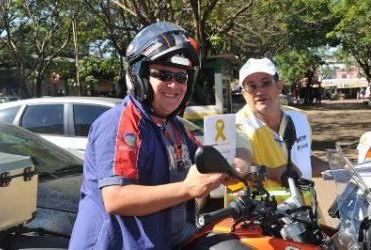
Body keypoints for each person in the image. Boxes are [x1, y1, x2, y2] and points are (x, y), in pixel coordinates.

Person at [69, 22, 227, 250]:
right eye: (163, 74)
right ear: (140, 77)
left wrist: (235, 164)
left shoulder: (173, 126)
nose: (174, 85)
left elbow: (206, 157)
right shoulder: (121, 123)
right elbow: (116, 198)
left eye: (181, 78)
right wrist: (186, 189)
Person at [234, 58, 329, 187]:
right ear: (244, 94)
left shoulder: (299, 117)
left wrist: (340, 168)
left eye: (266, 83)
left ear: (279, 86)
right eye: (252, 86)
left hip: (306, 205)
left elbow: (305, 160)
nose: (259, 91)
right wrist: (272, 173)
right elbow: (238, 168)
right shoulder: (237, 126)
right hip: (266, 206)